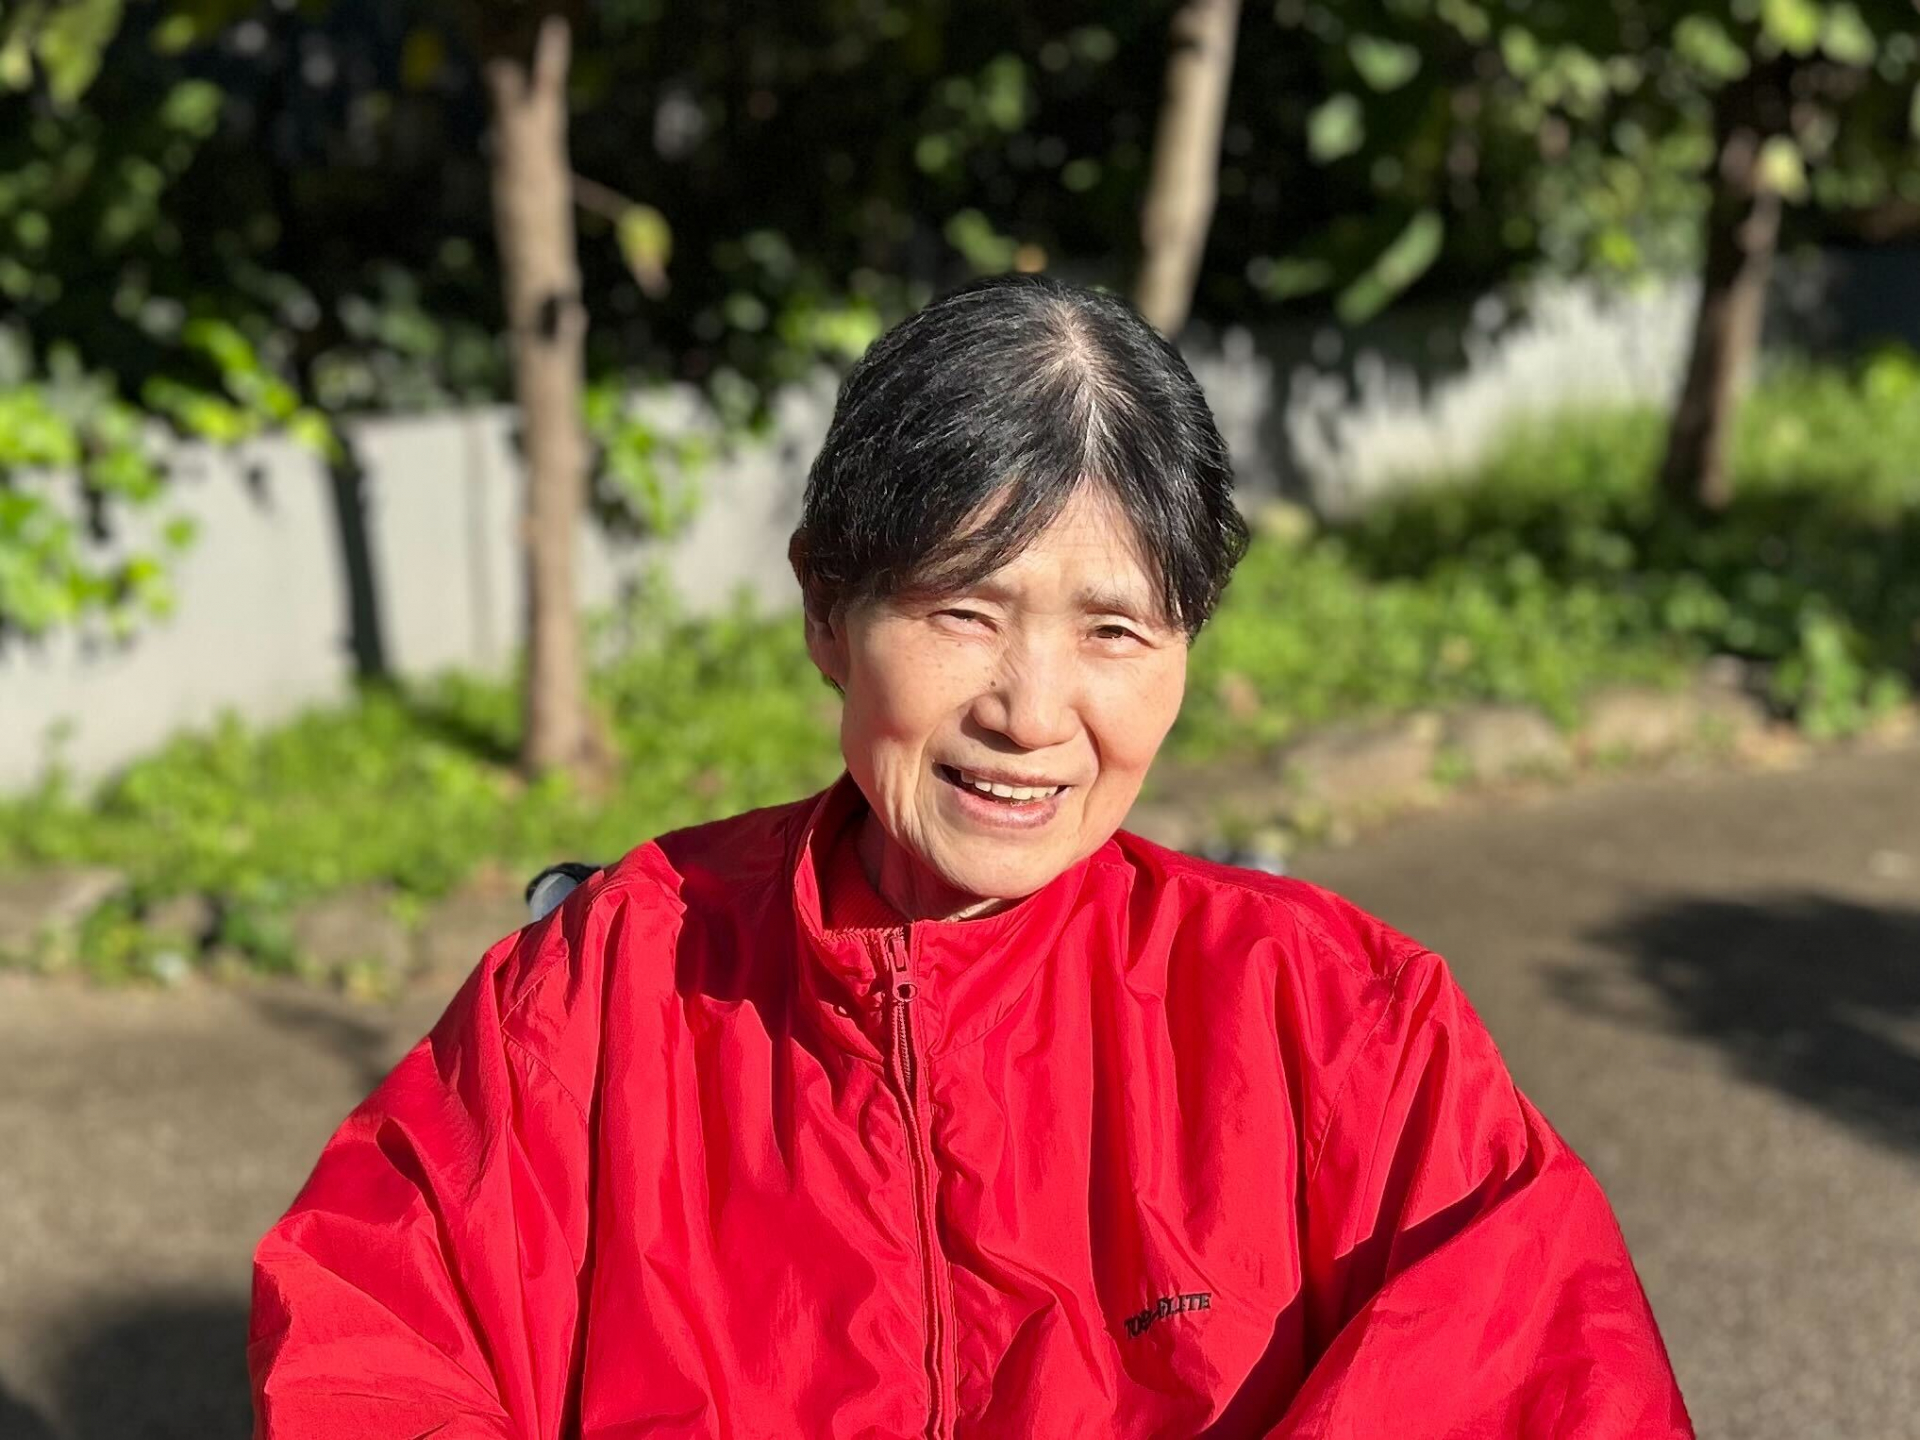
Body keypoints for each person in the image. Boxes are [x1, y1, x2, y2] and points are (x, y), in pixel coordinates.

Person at [248, 274, 1692, 1438]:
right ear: (827, 611)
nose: (1031, 712)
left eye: (1114, 631)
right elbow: (370, 1346)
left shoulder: (1334, 1020)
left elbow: (1541, 1375)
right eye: (963, 612)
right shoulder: (597, 993)